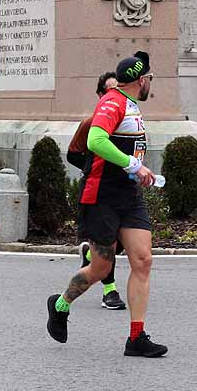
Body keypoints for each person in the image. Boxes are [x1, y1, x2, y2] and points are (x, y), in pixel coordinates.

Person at [47, 51, 167, 358]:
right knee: (101, 267)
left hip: (129, 196)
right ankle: (60, 305)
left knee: (143, 260)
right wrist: (133, 165)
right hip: (101, 196)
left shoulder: (131, 106)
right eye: (150, 79)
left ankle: (136, 338)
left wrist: (140, 171)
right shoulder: (112, 102)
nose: (151, 84)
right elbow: (95, 141)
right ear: (141, 80)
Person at [66, 71, 126, 311]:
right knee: (108, 242)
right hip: (98, 190)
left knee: (123, 241)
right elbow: (72, 154)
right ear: (100, 95)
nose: (114, 95)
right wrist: (95, 171)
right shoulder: (90, 124)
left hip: (125, 190)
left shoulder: (129, 121)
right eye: (109, 91)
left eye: (118, 90)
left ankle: (90, 258)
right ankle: (109, 291)